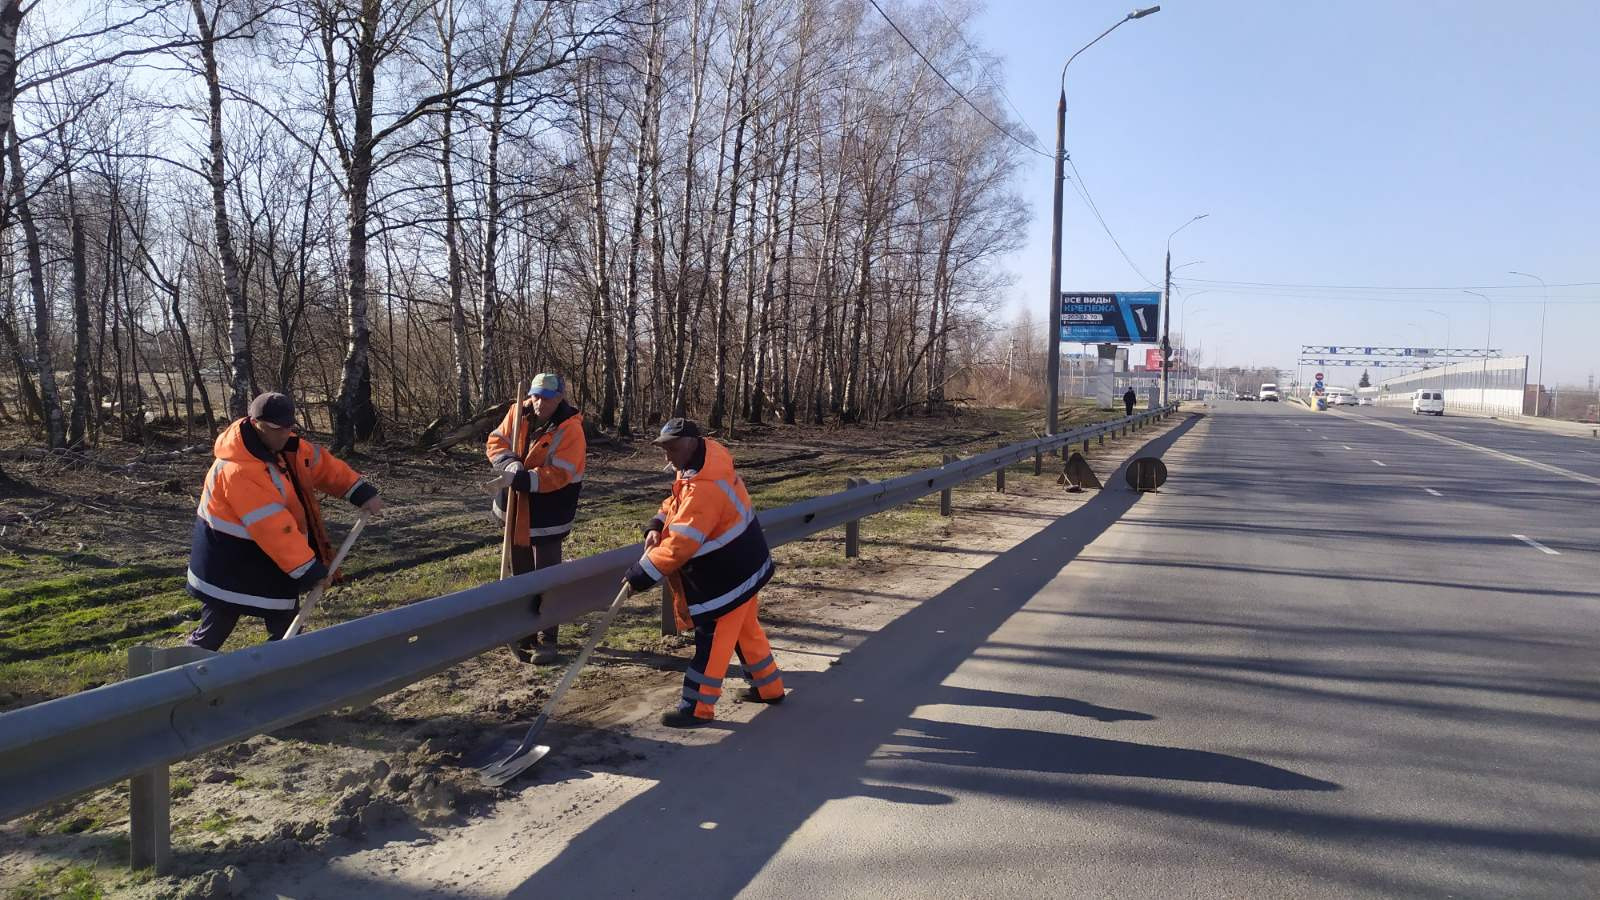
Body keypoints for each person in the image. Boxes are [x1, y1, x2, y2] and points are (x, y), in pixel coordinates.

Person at [186, 392, 383, 651]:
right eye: (278, 429)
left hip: (268, 560)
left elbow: (322, 465)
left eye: (290, 427)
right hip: (229, 562)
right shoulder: (238, 470)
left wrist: (361, 492)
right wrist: (308, 570)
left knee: (287, 628)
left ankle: (284, 673)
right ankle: (180, 678)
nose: (285, 434)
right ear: (257, 425)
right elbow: (274, 528)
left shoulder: (285, 445)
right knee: (217, 625)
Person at [622, 418, 785, 727]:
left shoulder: (705, 489)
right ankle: (769, 687)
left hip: (728, 576)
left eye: (672, 448)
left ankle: (697, 707)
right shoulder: (706, 461)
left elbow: (681, 544)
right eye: (664, 449)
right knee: (746, 631)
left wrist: (640, 574)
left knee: (712, 643)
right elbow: (676, 502)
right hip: (745, 566)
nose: (667, 457)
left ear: (692, 443)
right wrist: (656, 523)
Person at [486, 373, 586, 664]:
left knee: (547, 576)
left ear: (559, 398)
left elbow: (561, 474)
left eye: (547, 397)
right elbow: (497, 441)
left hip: (549, 511)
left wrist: (524, 479)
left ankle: (547, 638)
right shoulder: (519, 410)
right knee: (520, 571)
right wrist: (509, 462)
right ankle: (524, 631)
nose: (540, 403)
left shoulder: (571, 430)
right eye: (536, 395)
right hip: (516, 508)